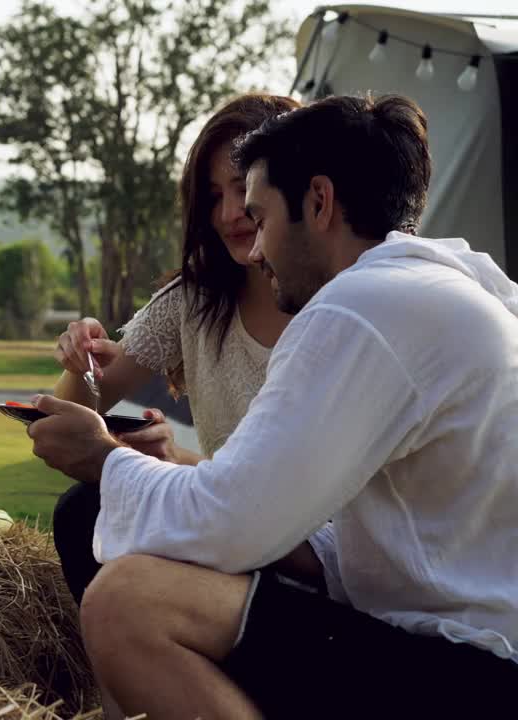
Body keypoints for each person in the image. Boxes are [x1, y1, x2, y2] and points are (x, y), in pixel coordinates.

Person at [29, 93, 518, 719]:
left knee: (130, 602)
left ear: (318, 202)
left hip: (471, 672)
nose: (254, 248)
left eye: (259, 217)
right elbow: (398, 547)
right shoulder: (439, 284)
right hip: (468, 650)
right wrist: (295, 542)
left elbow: (229, 525)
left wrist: (102, 459)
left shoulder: (359, 306)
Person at [50, 93, 300, 602]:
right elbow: (74, 414)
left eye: (243, 188)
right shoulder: (192, 301)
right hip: (223, 531)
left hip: (309, 551)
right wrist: (83, 356)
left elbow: (296, 496)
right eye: (212, 196)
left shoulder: (337, 303)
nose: (231, 212)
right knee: (84, 509)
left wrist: (176, 462)